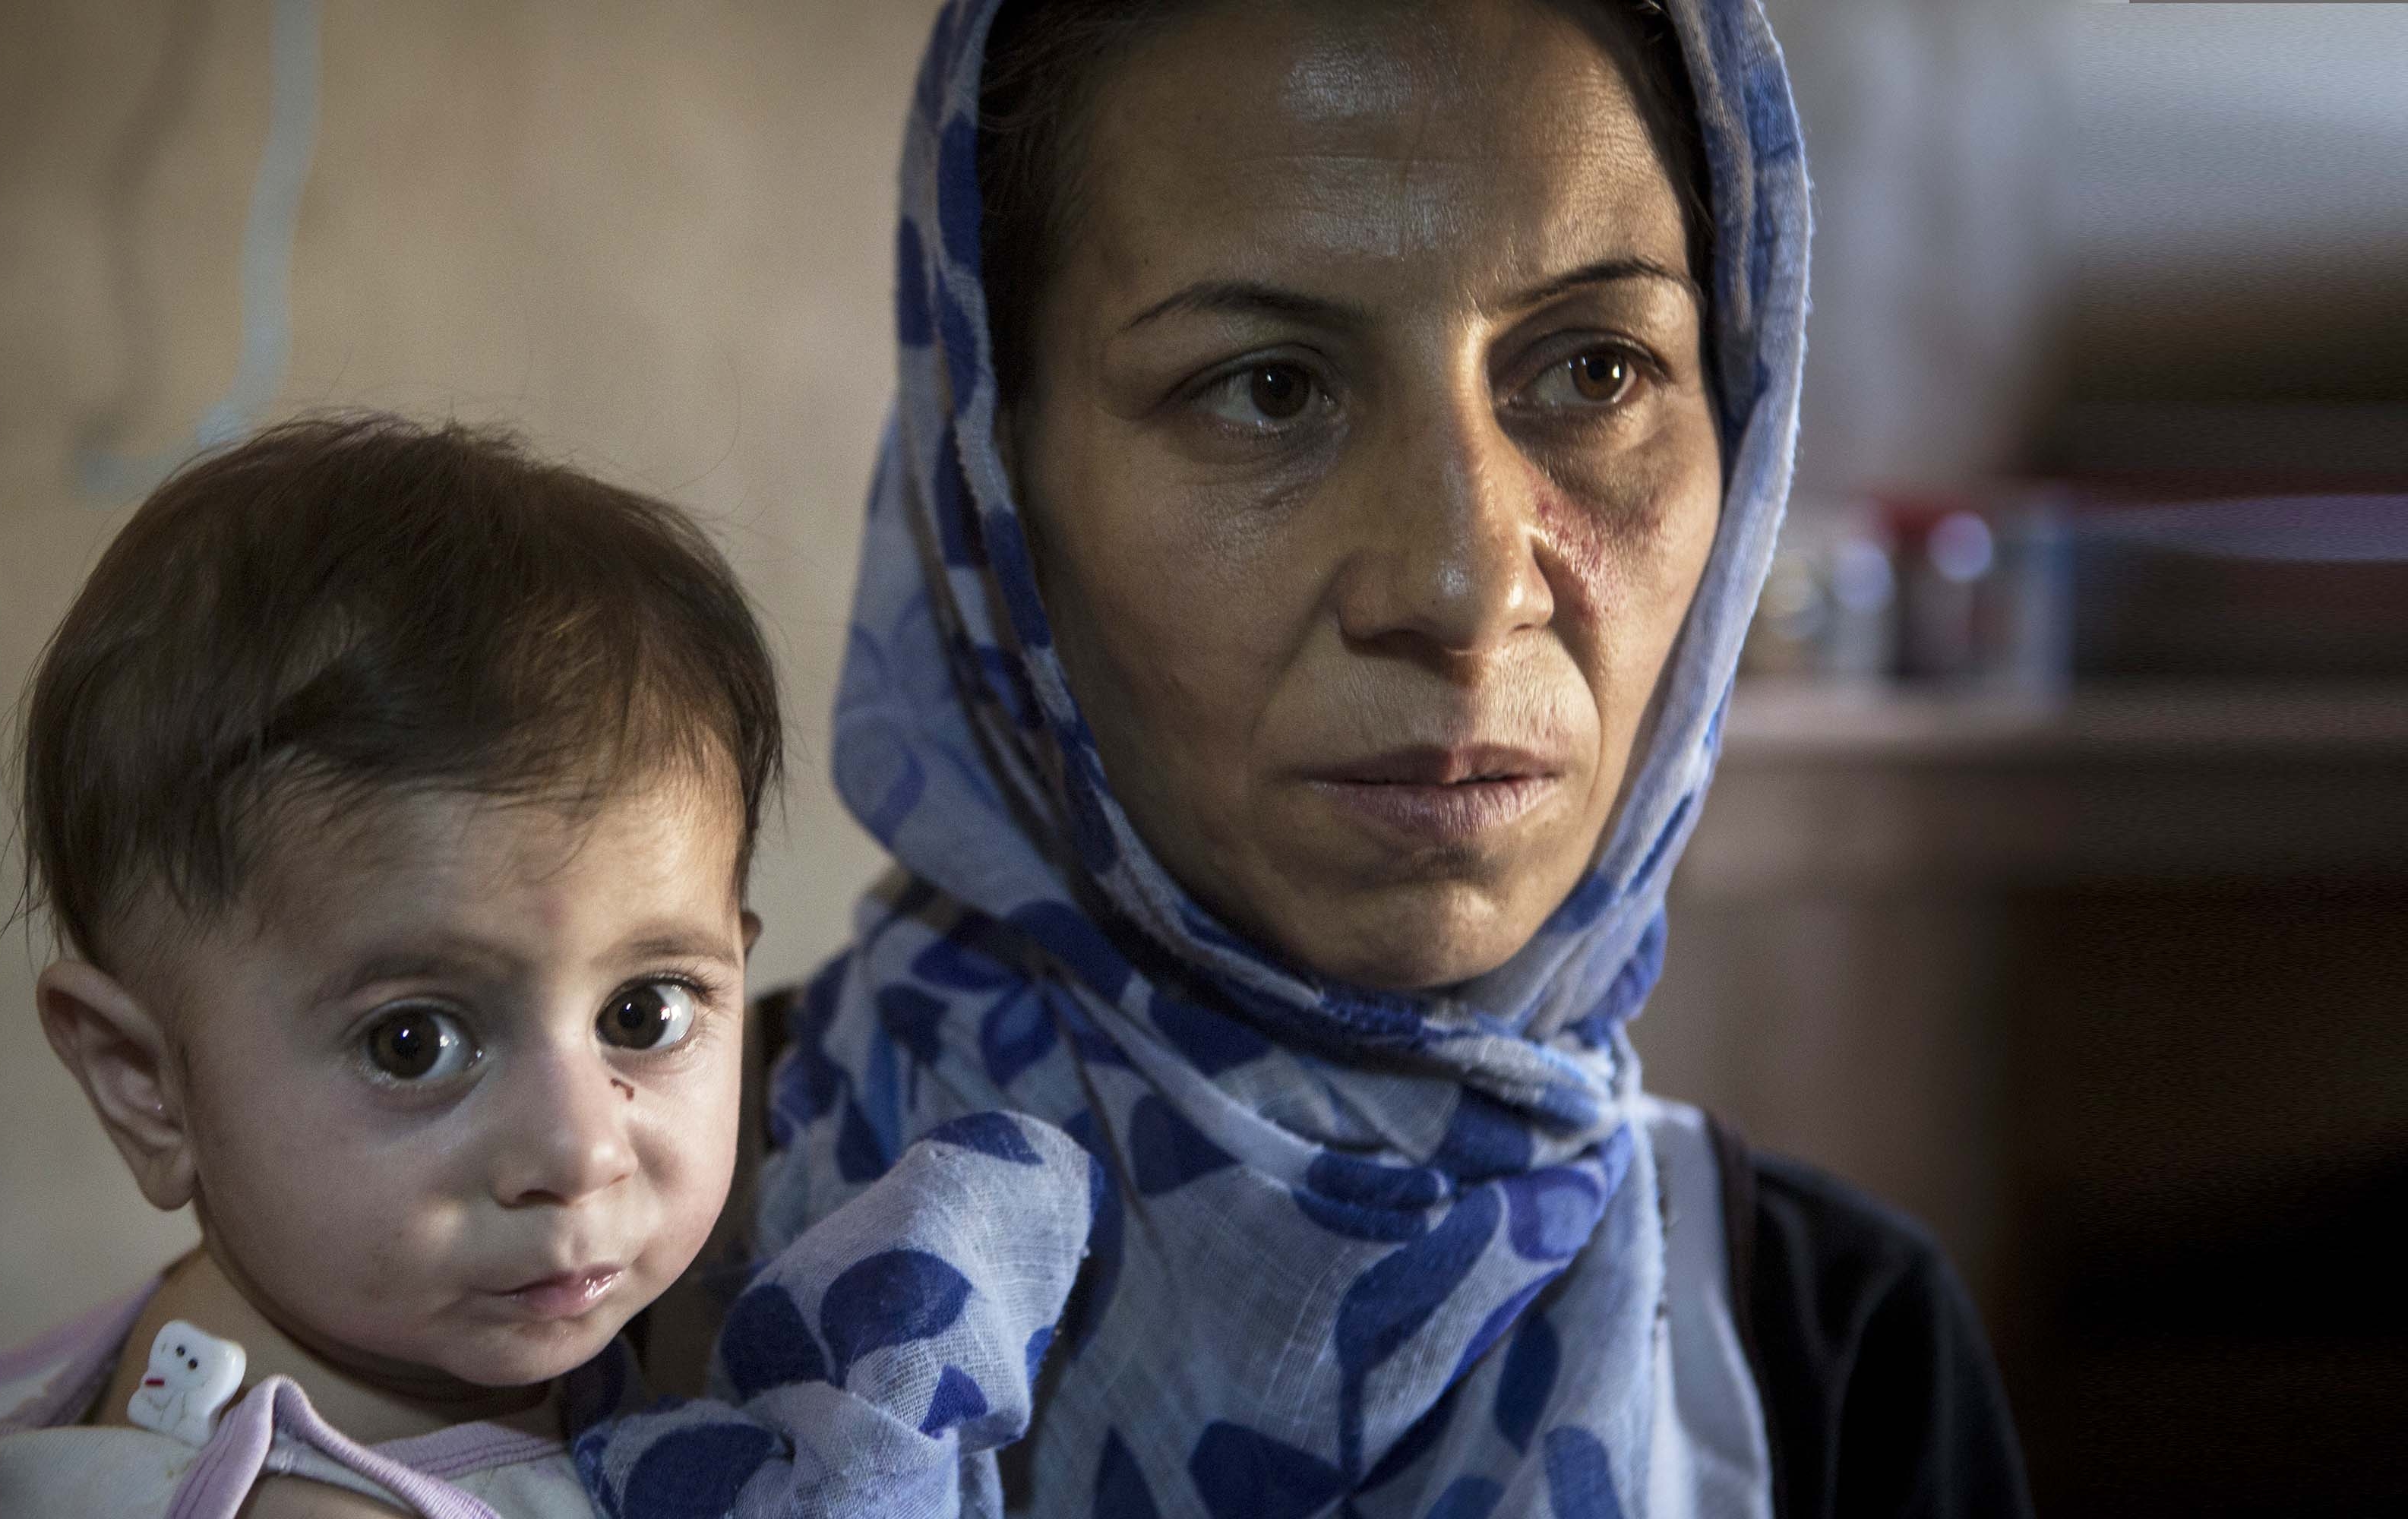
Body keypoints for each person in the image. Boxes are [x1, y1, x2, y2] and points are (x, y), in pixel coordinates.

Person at [752, 2, 2035, 1516]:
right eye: (1267, 387)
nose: (1457, 578)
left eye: (1594, 371)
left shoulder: (1834, 1363)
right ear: (991, 474)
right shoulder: (579, 1246)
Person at [0, 415, 1094, 1518]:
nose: (578, 1154)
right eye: (414, 1041)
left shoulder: (300, 1323)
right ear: (145, 1081)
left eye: (643, 1011)